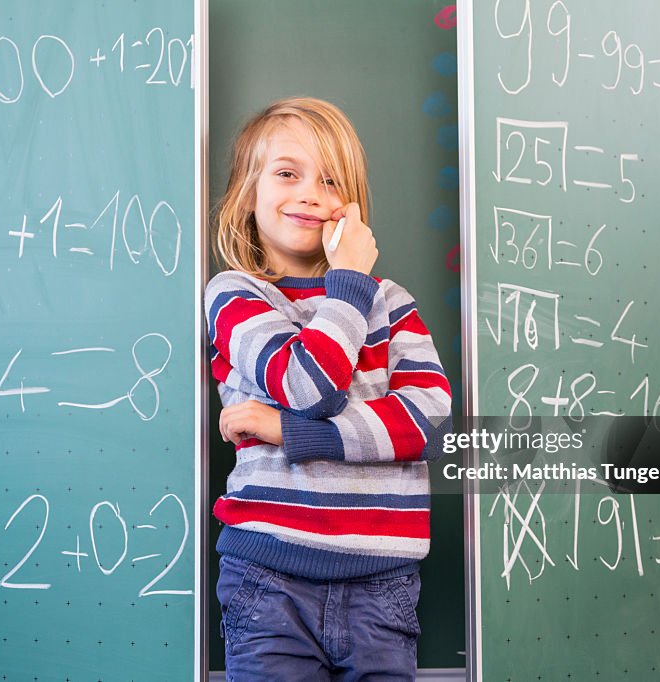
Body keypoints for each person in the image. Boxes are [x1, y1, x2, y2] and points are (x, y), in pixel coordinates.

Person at [205, 96, 452, 681]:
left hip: (381, 583)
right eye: (287, 173)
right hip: (268, 583)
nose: (311, 193)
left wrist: (285, 432)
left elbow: (427, 422)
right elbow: (308, 384)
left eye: (332, 180)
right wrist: (347, 289)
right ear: (247, 192)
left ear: (354, 207)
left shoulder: (390, 303)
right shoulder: (237, 295)